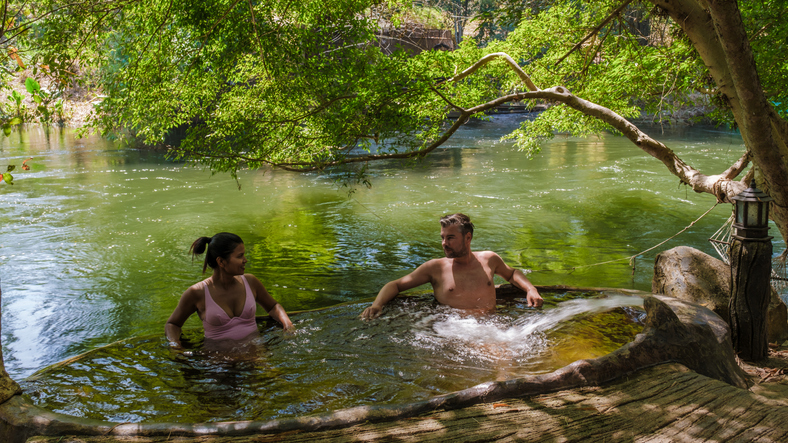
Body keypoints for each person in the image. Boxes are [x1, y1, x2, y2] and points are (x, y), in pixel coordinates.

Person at [361, 213, 543, 319]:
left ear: (468, 238)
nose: (444, 243)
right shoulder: (435, 268)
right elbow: (395, 285)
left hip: (491, 323)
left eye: (450, 238)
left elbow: (512, 274)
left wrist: (531, 289)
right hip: (454, 329)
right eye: (442, 237)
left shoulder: (489, 259)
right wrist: (377, 305)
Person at [166, 232, 294, 349]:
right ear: (221, 261)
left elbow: (273, 306)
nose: (245, 260)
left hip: (255, 354)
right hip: (218, 364)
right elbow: (173, 324)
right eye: (240, 256)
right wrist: (175, 346)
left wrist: (287, 324)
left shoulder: (250, 282)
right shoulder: (197, 292)